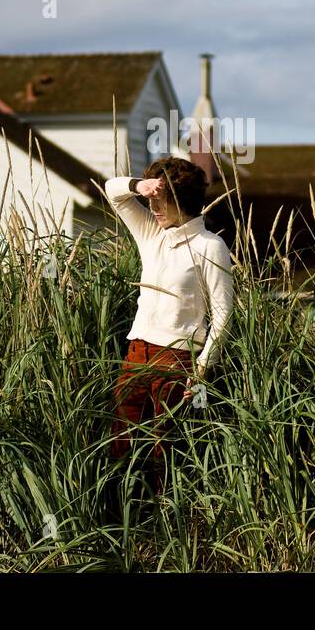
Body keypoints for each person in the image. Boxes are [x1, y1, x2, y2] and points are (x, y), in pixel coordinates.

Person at [104, 157, 234, 495]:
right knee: (121, 441)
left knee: (167, 451)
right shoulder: (150, 232)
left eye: (161, 202)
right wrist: (139, 186)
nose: (154, 208)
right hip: (136, 353)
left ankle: (167, 528)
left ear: (183, 201)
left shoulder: (211, 246)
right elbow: (111, 191)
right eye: (151, 202)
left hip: (176, 360)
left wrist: (202, 370)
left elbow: (223, 315)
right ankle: (124, 519)